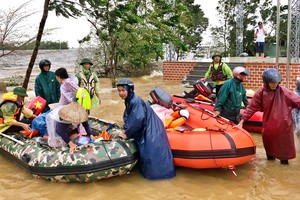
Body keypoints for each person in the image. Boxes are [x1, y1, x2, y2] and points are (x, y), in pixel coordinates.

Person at [236, 68, 300, 165]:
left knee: (284, 158)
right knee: (270, 156)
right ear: (266, 82)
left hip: (284, 128)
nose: (274, 85)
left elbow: (298, 101)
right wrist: (241, 122)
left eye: (276, 82)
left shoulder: (285, 92)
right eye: (272, 83)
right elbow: (251, 108)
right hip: (269, 128)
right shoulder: (260, 93)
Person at [116, 78, 175, 180]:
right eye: (119, 90)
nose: (121, 93)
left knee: (152, 154)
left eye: (123, 90)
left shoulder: (135, 101)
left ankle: (158, 178)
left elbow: (137, 119)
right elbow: (132, 117)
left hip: (151, 130)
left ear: (129, 90)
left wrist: (127, 133)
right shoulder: (130, 100)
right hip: (150, 127)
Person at [46, 68, 93, 153]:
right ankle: (90, 136)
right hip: (78, 106)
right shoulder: (73, 81)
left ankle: (71, 144)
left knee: (58, 128)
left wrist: (70, 144)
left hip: (68, 108)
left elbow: (68, 97)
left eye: (57, 78)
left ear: (59, 77)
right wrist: (90, 134)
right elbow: (79, 93)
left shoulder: (64, 85)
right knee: (83, 121)